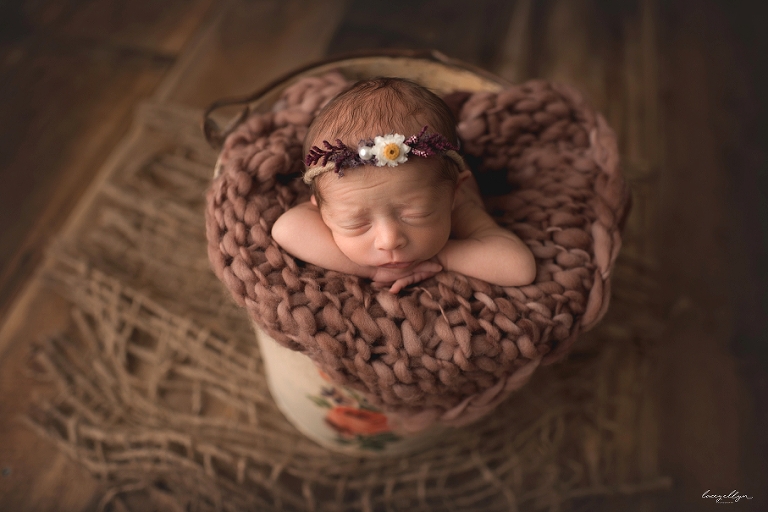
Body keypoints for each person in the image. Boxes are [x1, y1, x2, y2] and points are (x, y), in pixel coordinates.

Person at [272, 77, 536, 293]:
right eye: (356, 223)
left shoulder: (457, 203)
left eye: (415, 215)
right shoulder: (339, 197)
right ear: (320, 209)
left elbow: (519, 267)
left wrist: (443, 256)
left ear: (455, 191)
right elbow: (286, 229)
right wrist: (374, 270)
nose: (390, 241)